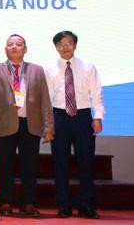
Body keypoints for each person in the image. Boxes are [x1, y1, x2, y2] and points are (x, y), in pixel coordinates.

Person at [0, 34, 53, 217]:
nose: (14, 47)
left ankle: (29, 203)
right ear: (5, 49)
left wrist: (48, 127)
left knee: (30, 166)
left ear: (25, 49)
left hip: (30, 124)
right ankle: (5, 202)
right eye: (10, 44)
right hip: (5, 125)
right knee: (5, 166)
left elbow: (45, 100)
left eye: (19, 44)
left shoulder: (37, 70)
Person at [45, 31, 103, 219]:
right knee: (60, 163)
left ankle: (86, 205)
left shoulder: (88, 66)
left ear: (75, 45)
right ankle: (64, 205)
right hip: (59, 117)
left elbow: (97, 93)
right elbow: (47, 99)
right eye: (61, 44)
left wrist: (98, 117)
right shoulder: (49, 69)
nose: (65, 47)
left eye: (69, 43)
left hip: (83, 117)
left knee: (86, 162)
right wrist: (48, 125)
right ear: (56, 47)